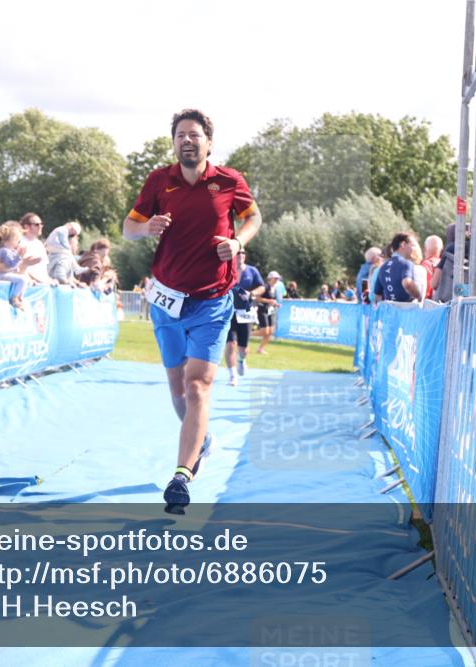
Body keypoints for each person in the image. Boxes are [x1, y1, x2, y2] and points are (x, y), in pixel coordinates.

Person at [122, 108, 261, 512]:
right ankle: (202, 439)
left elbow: (253, 217)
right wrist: (145, 228)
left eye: (194, 134)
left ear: (209, 142)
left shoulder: (228, 181)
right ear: (173, 143)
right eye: (180, 134)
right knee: (178, 388)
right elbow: (128, 228)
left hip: (212, 301)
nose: (187, 140)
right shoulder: (158, 181)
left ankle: (182, 475)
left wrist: (237, 242)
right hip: (166, 299)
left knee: (198, 384)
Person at [224, 250, 265, 386]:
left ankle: (241, 360)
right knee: (230, 344)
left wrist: (252, 293)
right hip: (229, 312)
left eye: (243, 253)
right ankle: (232, 375)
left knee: (243, 348)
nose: (241, 255)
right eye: (238, 253)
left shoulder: (252, 271)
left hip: (246, 313)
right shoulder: (226, 268)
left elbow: (262, 287)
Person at [374, 232, 423, 303]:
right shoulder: (406, 263)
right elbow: (407, 283)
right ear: (403, 244)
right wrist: (419, 297)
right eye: (413, 245)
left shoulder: (383, 267)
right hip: (406, 307)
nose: (414, 249)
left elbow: (377, 296)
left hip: (390, 308)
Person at [0, 221, 33, 309]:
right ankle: (14, 298)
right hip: (2, 275)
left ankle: (19, 297)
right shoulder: (4, 250)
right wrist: (19, 256)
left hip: (8, 274)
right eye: (18, 241)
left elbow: (15, 264)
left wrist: (19, 256)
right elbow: (10, 263)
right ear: (12, 240)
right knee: (22, 279)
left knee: (25, 279)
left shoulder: (11, 251)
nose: (18, 243)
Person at [20, 212, 54, 285]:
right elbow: (20, 267)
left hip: (43, 285)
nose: (40, 226)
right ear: (26, 227)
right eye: (37, 224)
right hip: (29, 285)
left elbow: (43, 269)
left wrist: (50, 280)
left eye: (41, 224)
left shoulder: (40, 244)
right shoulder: (20, 243)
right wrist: (39, 280)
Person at [255, 271, 282, 355]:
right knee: (265, 332)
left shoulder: (275, 288)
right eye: (275, 278)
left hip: (270, 311)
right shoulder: (265, 287)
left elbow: (272, 300)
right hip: (262, 310)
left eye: (278, 278)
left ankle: (260, 349)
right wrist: (269, 301)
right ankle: (245, 334)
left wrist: (275, 304)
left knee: (270, 332)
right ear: (270, 278)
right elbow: (257, 298)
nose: (277, 280)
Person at [421, 235, 443, 300]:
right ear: (441, 250)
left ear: (424, 249)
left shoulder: (426, 265)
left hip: (431, 303)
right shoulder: (445, 264)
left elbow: (426, 291)